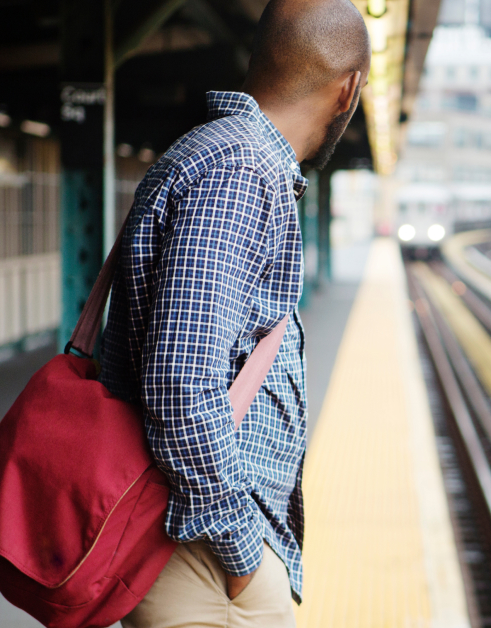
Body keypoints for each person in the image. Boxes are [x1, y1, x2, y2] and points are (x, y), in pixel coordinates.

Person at [97, 0, 370, 625]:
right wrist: (243, 555)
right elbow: (180, 380)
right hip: (202, 561)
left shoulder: (222, 158)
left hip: (197, 552)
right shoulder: (241, 171)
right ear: (347, 90)